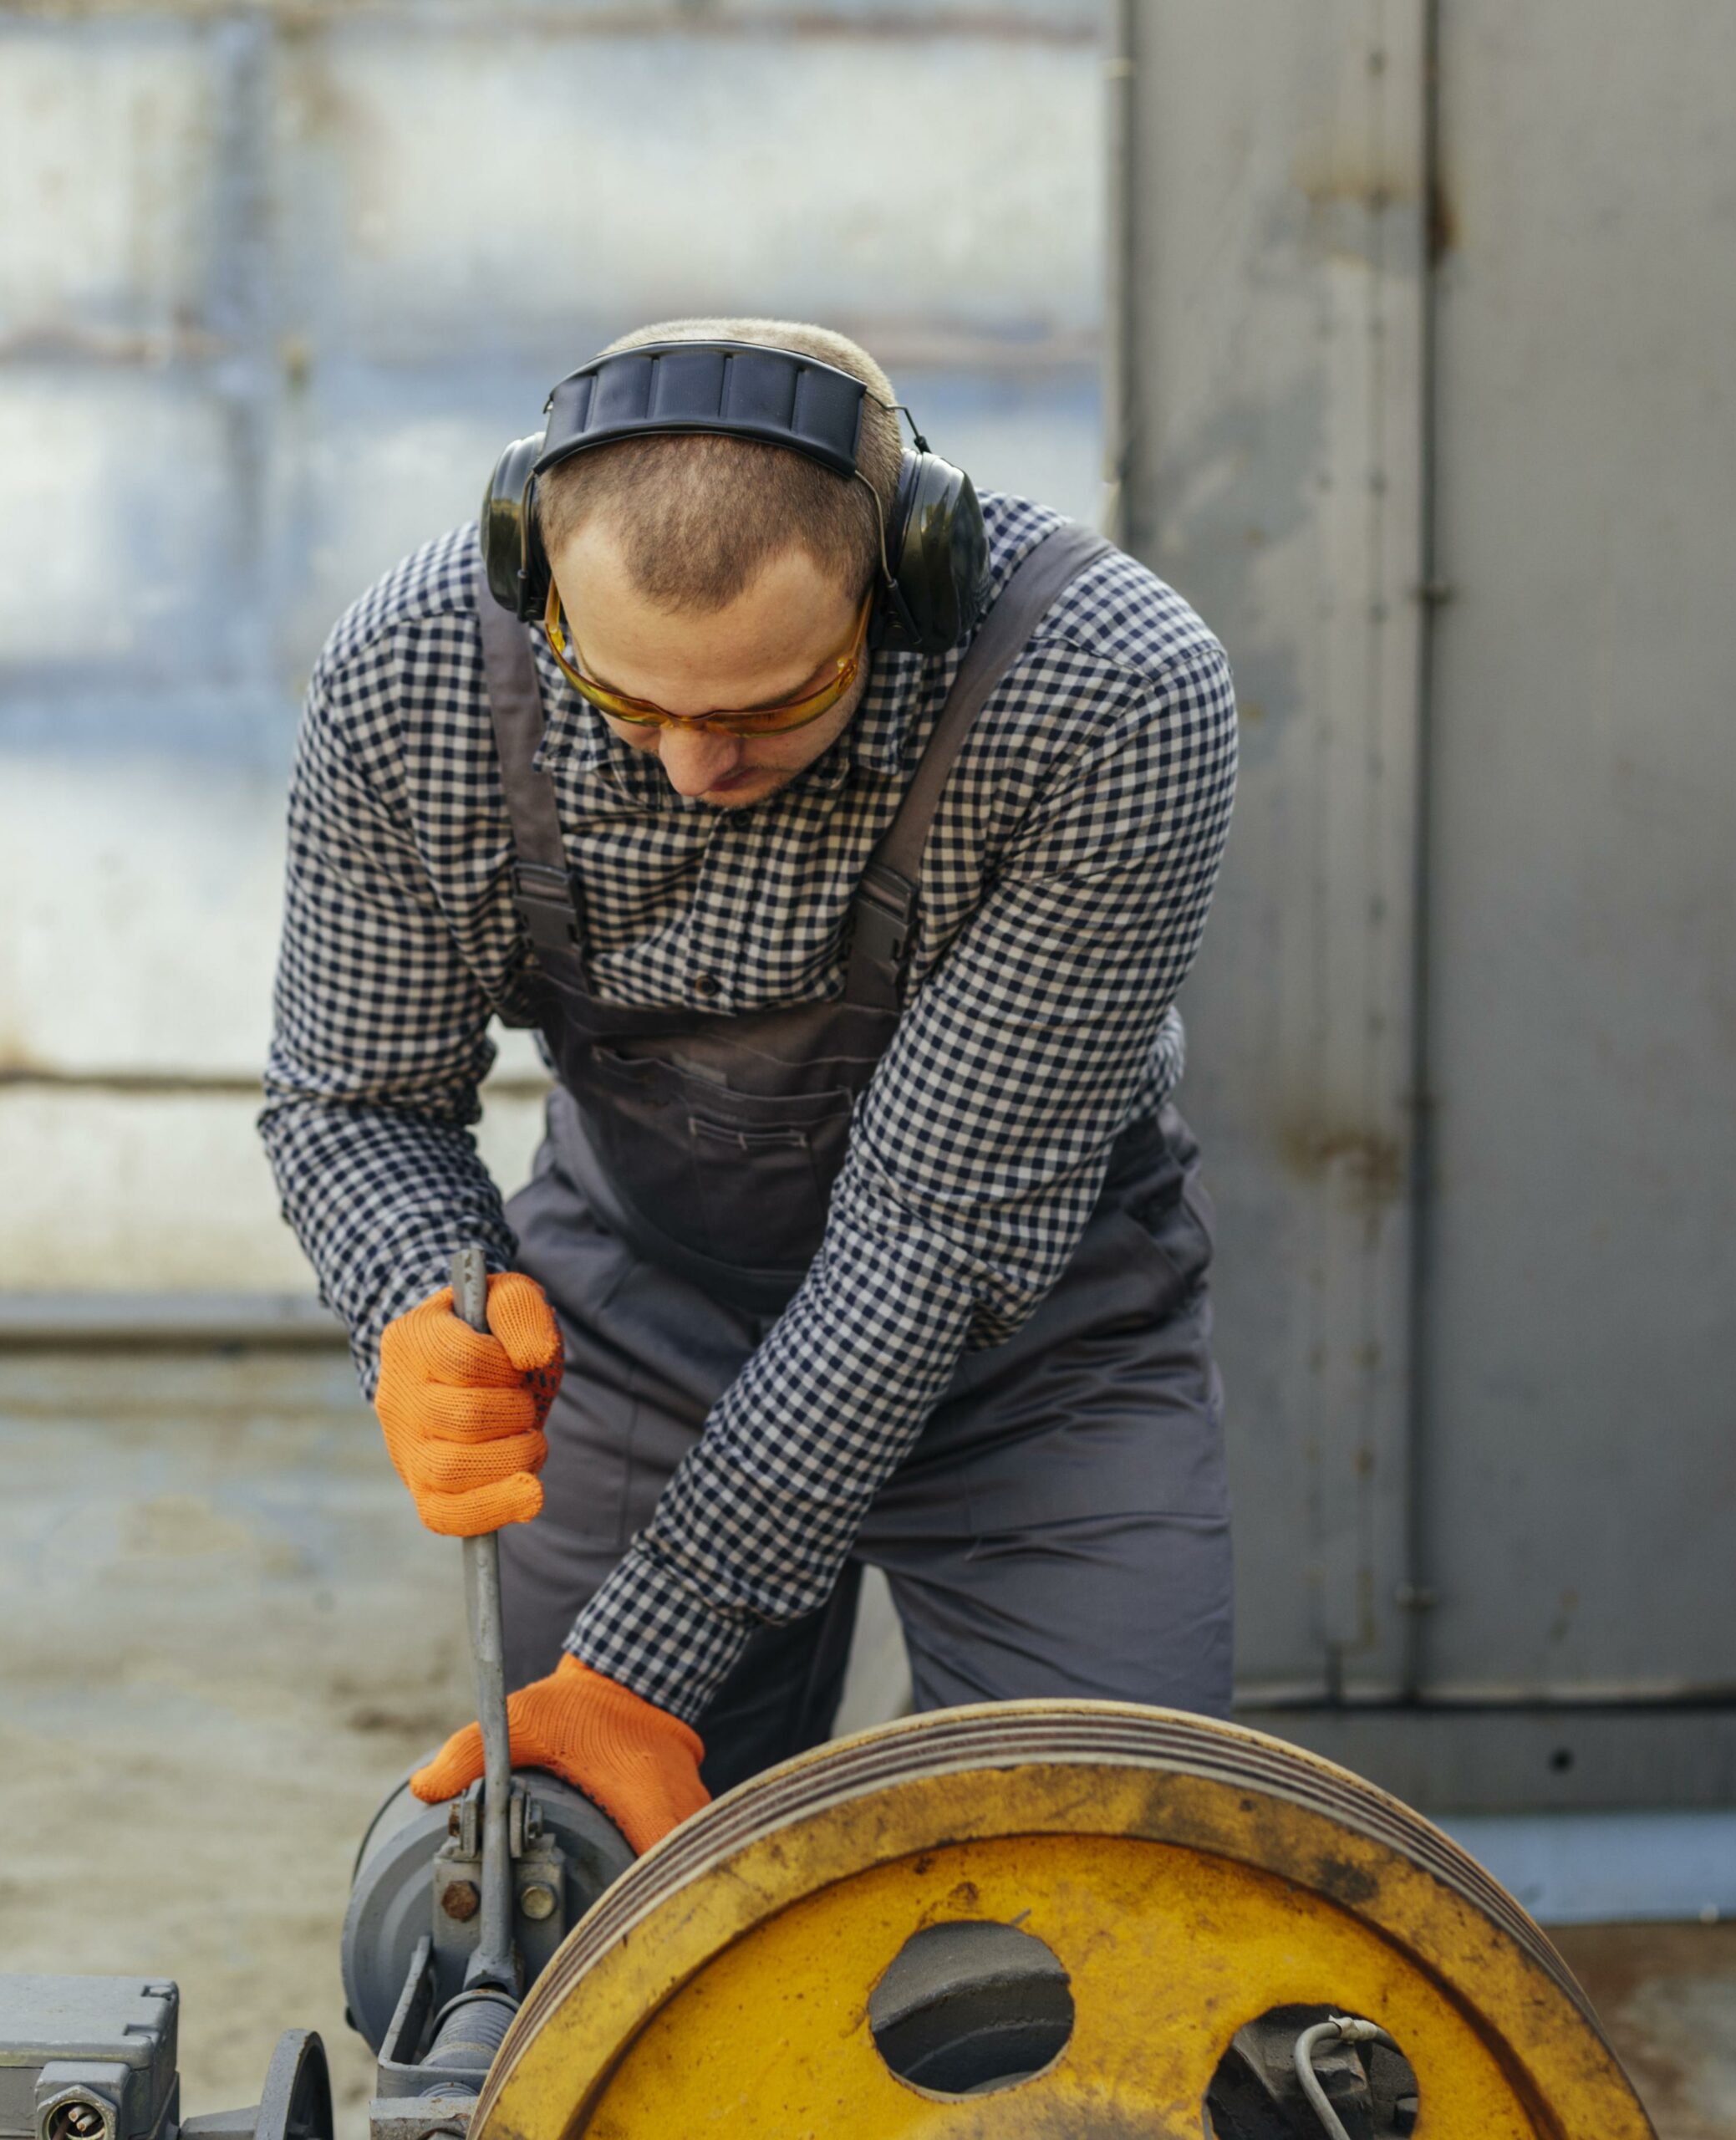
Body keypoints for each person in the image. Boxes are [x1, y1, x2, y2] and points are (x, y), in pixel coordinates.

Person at [260, 318, 1238, 1857]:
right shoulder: (416, 674)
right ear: (539, 580)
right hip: (637, 1306)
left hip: (1034, 1343)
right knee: (557, 1887)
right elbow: (357, 1100)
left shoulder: (1107, 693)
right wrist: (420, 1303)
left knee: (1100, 1876)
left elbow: (930, 1241)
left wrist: (636, 1663)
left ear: (901, 582)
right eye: (625, 699)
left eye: (767, 708)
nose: (687, 769)